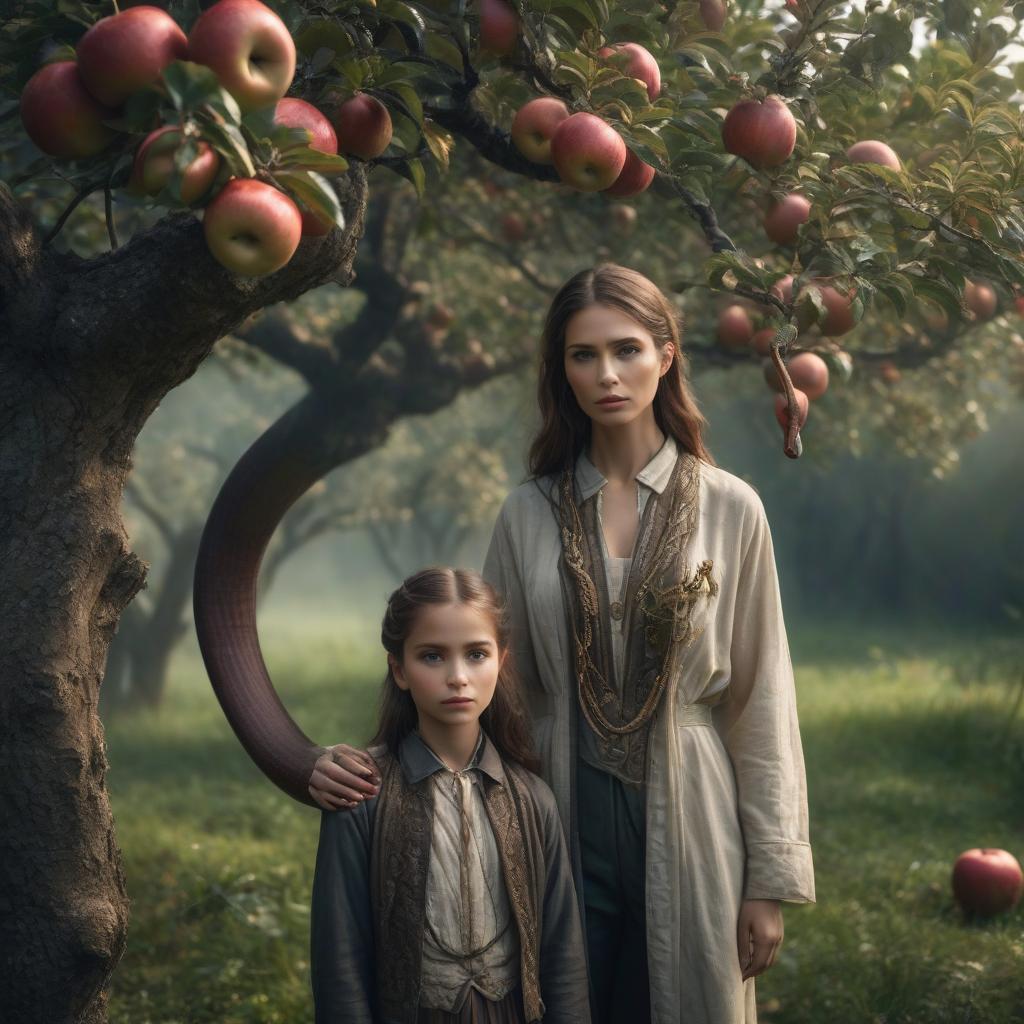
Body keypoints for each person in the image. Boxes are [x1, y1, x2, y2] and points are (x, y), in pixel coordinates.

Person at [310, 265, 815, 1024]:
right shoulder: (527, 513)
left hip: (696, 812)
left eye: (627, 349)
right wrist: (366, 762)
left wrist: (767, 881)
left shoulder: (731, 508)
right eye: (583, 355)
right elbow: (480, 673)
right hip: (555, 810)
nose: (606, 374)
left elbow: (762, 699)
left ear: (667, 354)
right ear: (562, 369)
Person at [310, 566, 590, 1024]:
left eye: (476, 654)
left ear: (501, 661)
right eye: (433, 657)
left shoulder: (533, 799)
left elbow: (563, 958)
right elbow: (339, 960)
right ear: (399, 669)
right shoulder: (363, 795)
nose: (458, 676)